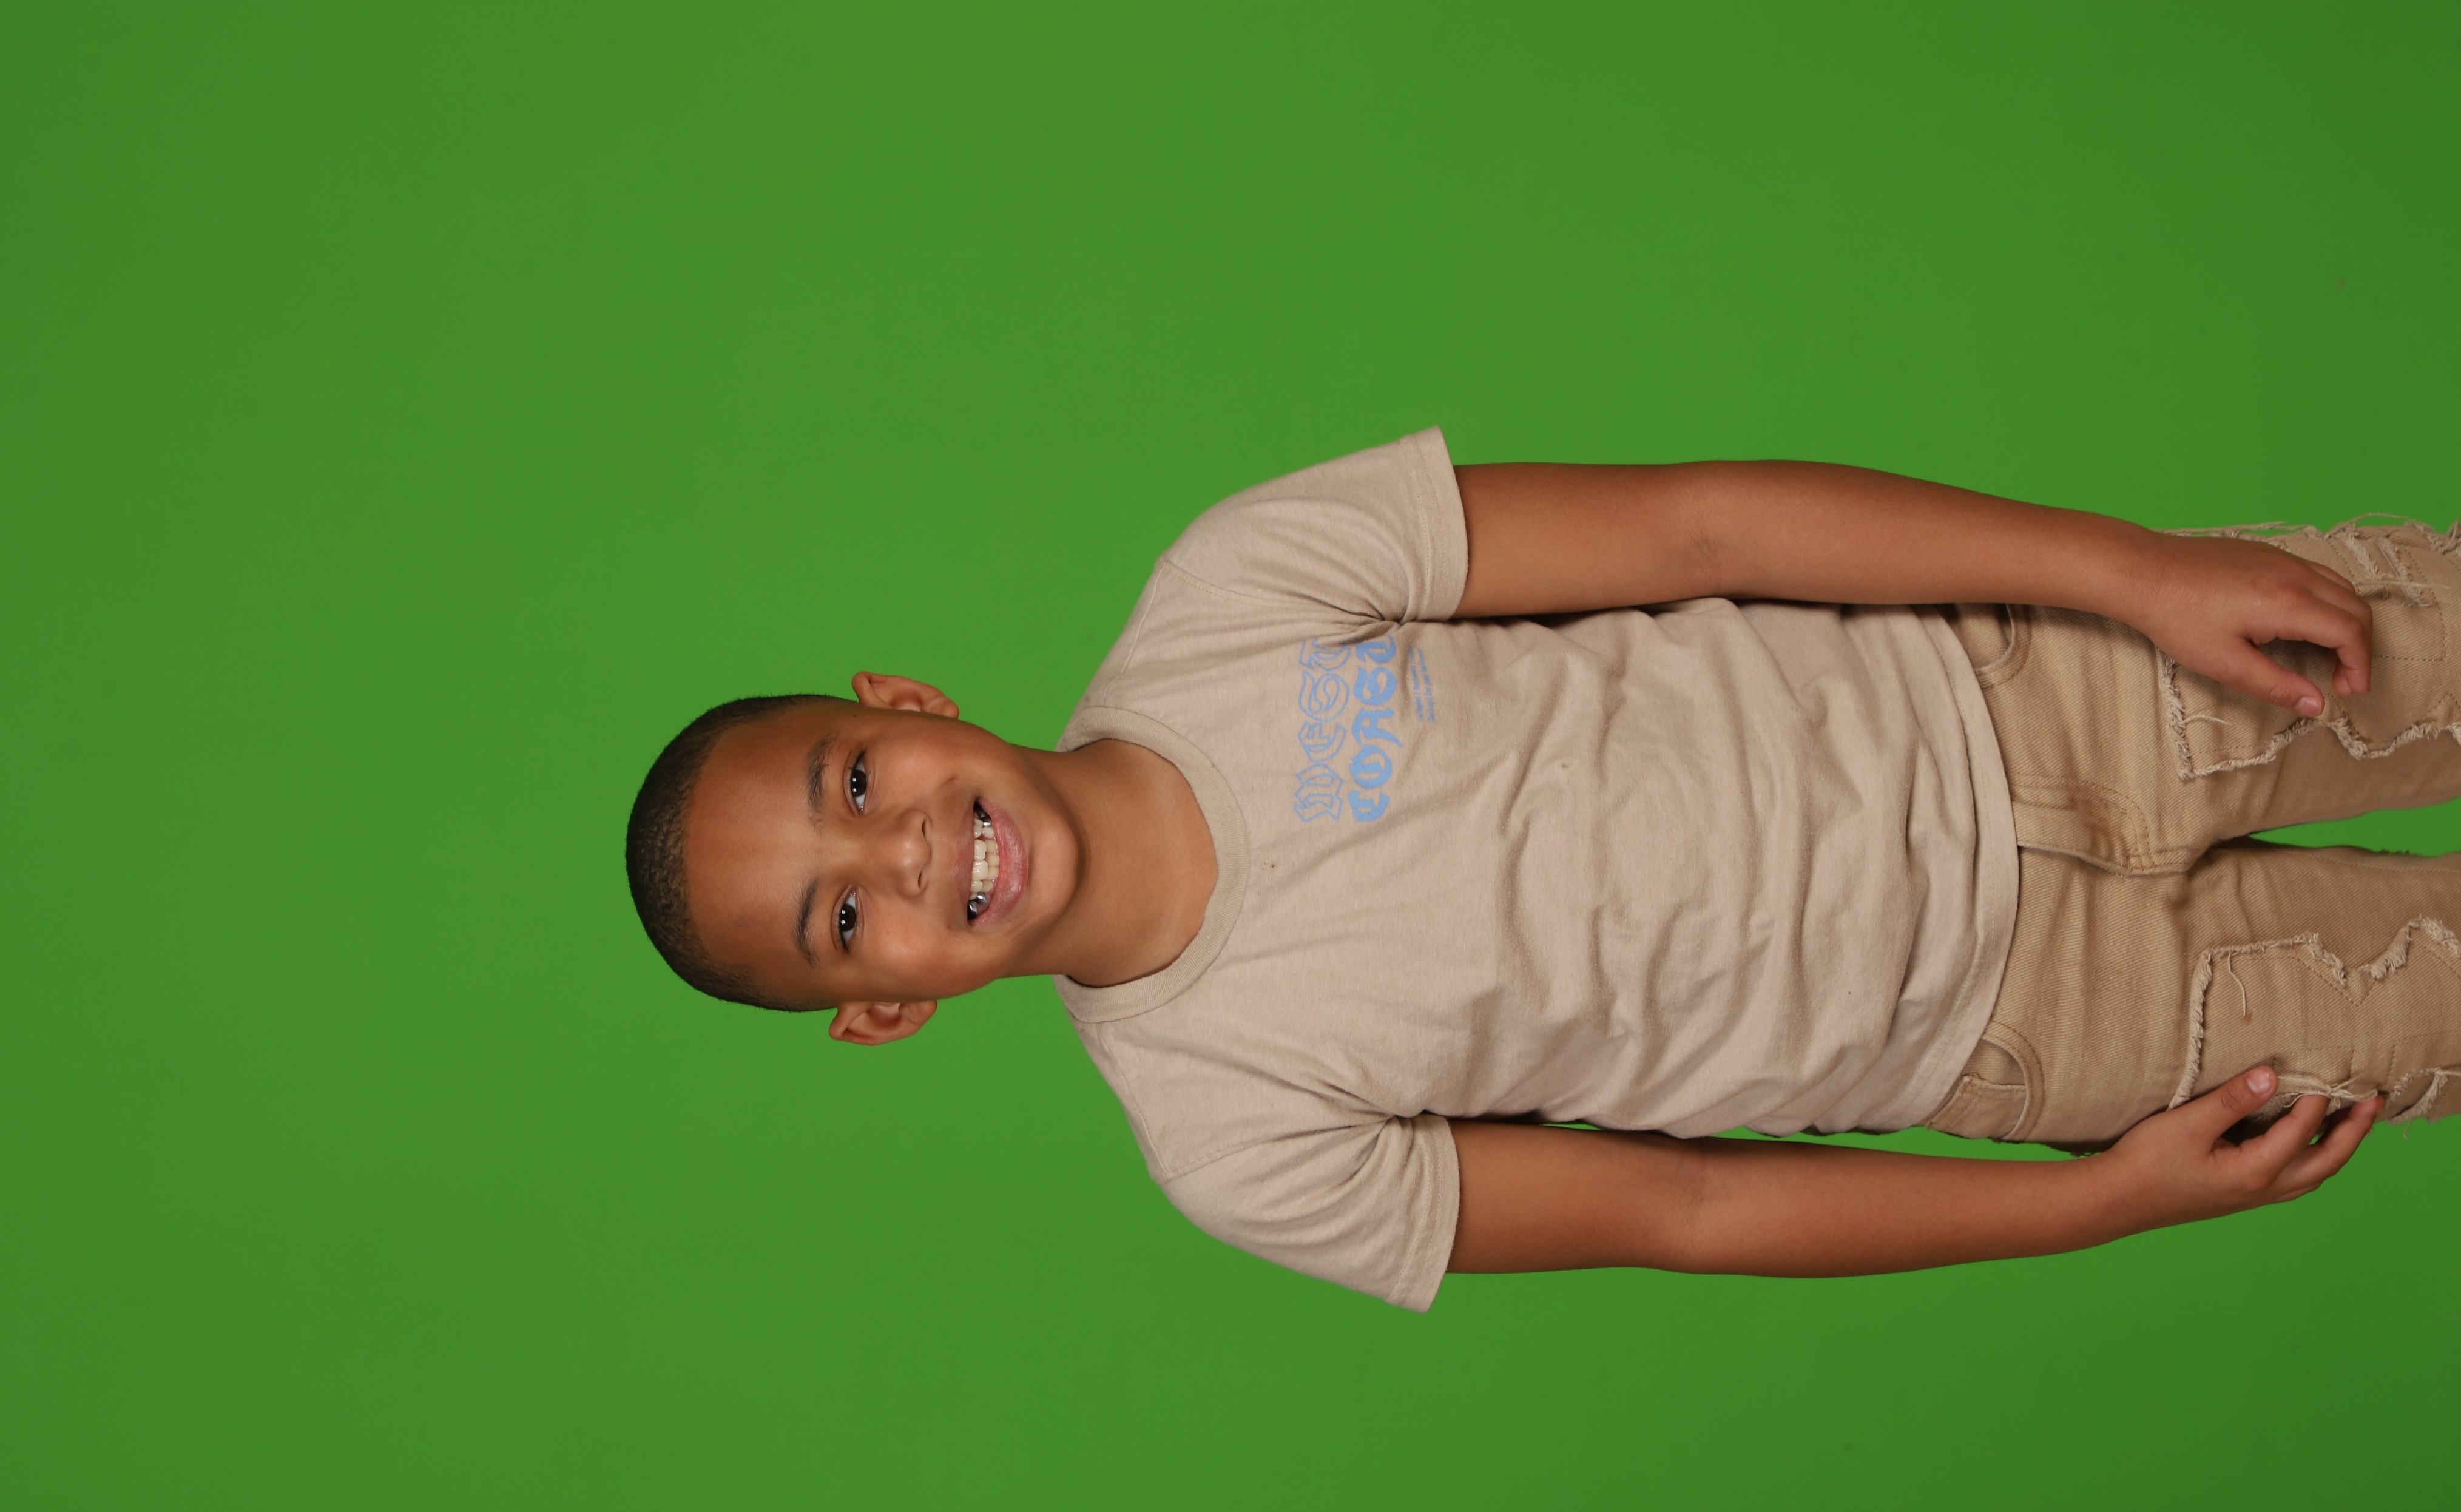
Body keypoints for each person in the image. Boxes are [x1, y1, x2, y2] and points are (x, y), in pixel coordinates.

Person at [625, 431, 2461, 1309]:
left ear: (904, 703)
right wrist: (2091, 1208)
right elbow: (1687, 1210)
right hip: (2044, 1024)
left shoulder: (1234, 587)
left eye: (853, 780)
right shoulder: (1228, 1138)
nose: (902, 849)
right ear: (882, 1012)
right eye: (841, 916)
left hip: (2044, 681)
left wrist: (2129, 570)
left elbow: (1698, 525)